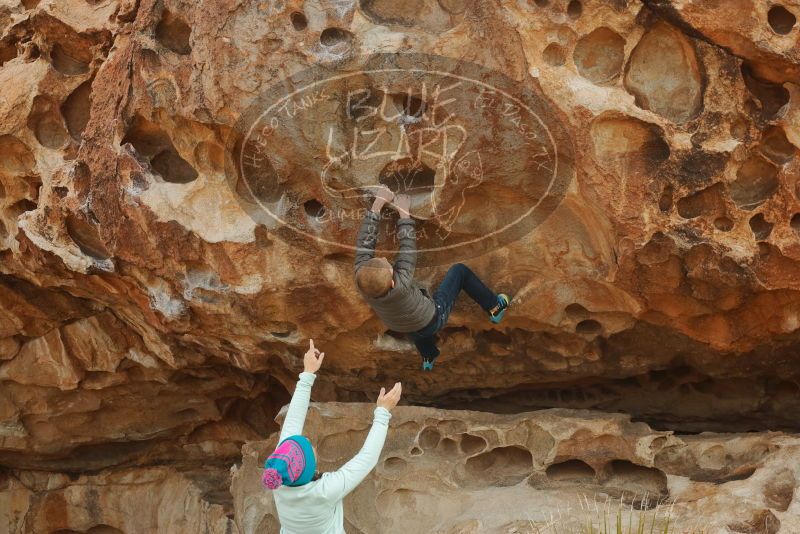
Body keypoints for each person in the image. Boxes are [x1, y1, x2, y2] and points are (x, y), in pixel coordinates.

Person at [354, 185, 509, 371]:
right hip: (433, 318)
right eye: (388, 265)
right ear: (393, 282)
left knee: (416, 331)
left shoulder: (361, 281)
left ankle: (429, 354)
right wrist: (404, 213)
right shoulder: (401, 283)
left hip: (404, 327)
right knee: (459, 271)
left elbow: (365, 244)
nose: (385, 258)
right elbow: (407, 247)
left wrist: (377, 205)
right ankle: (494, 306)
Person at [262, 339, 402, 533]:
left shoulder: (280, 476)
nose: (310, 442)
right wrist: (383, 413)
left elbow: (292, 424)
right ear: (308, 467)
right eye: (308, 446)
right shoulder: (324, 492)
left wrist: (308, 373)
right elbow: (366, 458)